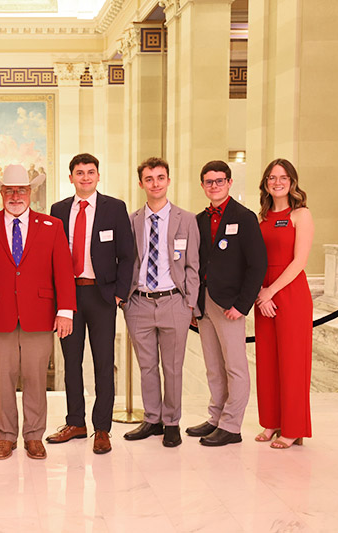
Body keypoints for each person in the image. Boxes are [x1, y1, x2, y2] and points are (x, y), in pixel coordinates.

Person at [0, 164, 75, 461]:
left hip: (40, 314)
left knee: (36, 378)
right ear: (1, 192)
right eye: (9, 190)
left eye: (21, 190)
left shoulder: (52, 226)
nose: (15, 196)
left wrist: (65, 311)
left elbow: (63, 271)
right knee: (1, 379)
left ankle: (34, 436)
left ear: (31, 192)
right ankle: (6, 436)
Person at [45, 153, 133, 454]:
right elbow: (51, 257)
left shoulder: (115, 208)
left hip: (102, 296)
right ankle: (76, 422)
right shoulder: (58, 210)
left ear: (98, 176)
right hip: (68, 297)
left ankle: (102, 428)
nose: (85, 177)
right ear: (70, 177)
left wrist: (120, 293)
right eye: (79, 172)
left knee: (103, 363)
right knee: (71, 362)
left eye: (90, 172)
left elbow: (128, 255)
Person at [185, 160, 267, 446]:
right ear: (203, 185)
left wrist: (242, 305)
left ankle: (231, 426)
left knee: (235, 367)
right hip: (205, 303)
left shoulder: (244, 217)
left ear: (229, 183)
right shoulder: (199, 220)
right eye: (209, 182)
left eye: (220, 181)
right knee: (213, 366)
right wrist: (194, 305)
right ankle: (215, 418)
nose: (214, 186)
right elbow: (194, 264)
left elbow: (257, 265)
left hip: (230, 304)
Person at [122, 157, 199, 448]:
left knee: (173, 367)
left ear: (168, 180)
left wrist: (189, 303)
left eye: (160, 177)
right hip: (139, 303)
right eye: (149, 178)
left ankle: (172, 422)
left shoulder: (186, 219)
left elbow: (193, 265)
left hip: (174, 302)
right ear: (141, 183)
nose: (155, 183)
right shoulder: (131, 221)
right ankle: (152, 419)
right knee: (147, 366)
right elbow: (126, 262)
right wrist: (125, 301)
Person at [254, 158, 314, 449]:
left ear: (292, 182)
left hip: (289, 292)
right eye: (272, 178)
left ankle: (292, 428)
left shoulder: (301, 215)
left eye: (283, 177)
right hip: (263, 292)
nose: (277, 182)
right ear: (266, 183)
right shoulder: (261, 217)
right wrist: (260, 293)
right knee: (266, 361)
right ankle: (271, 422)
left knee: (292, 362)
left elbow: (299, 262)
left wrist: (271, 292)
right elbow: (254, 261)